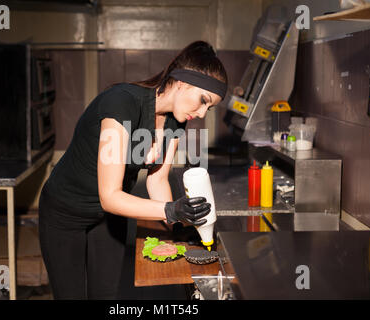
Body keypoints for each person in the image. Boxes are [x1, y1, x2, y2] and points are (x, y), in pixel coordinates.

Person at [38, 40, 228, 299]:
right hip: (66, 212)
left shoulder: (176, 120)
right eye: (203, 100)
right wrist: (170, 210)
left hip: (110, 218)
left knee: (104, 295)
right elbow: (110, 196)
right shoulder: (122, 104)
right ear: (182, 82)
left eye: (210, 107)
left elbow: (158, 179)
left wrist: (177, 222)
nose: (204, 113)